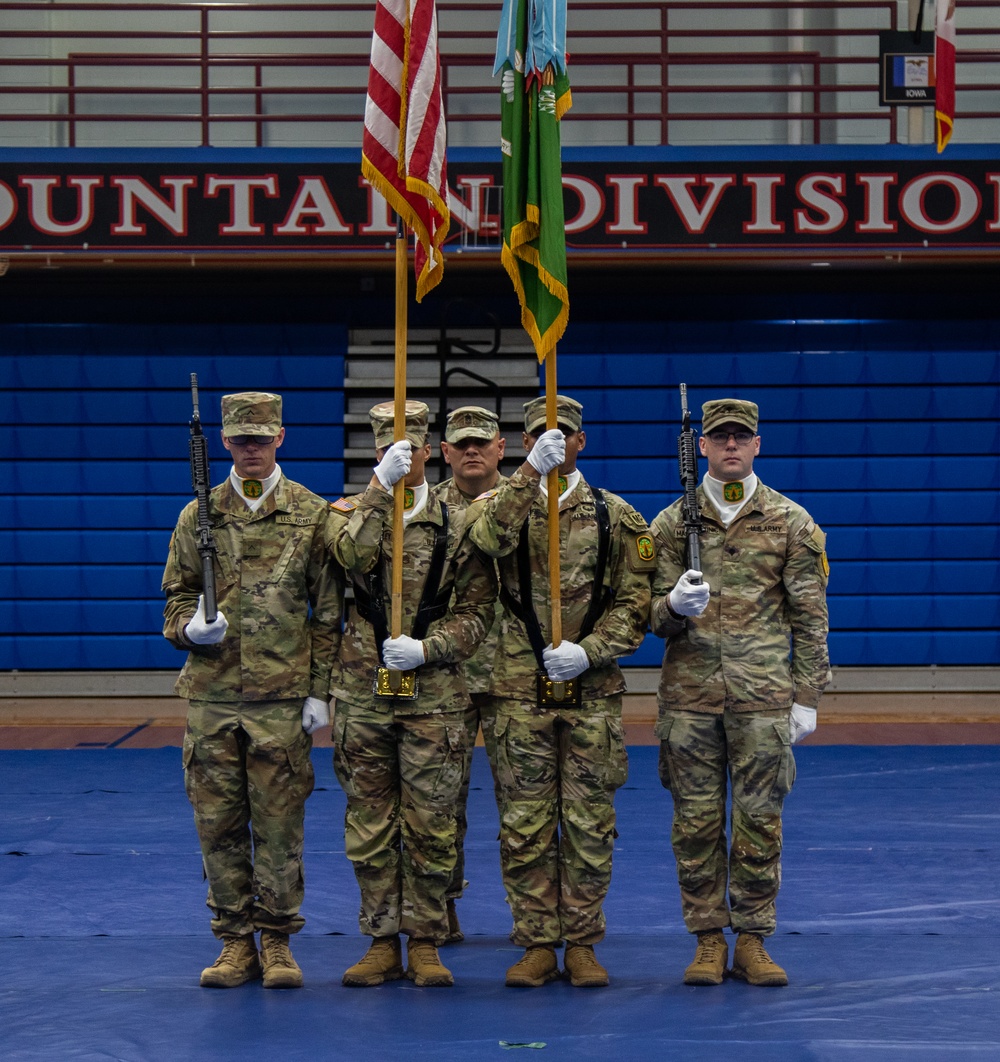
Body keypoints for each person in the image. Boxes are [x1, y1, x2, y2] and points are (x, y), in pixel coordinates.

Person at [468, 394, 655, 988]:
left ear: (581, 441)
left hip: (589, 692)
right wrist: (526, 478)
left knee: (588, 822)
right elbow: (488, 541)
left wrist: (590, 651)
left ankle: (581, 942)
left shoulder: (616, 516)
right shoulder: (499, 505)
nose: (554, 442)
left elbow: (636, 604)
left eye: (565, 434)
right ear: (525, 444)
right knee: (523, 823)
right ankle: (536, 943)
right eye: (539, 436)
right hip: (517, 690)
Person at [162, 391, 342, 990]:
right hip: (213, 697)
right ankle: (235, 942)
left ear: (281, 438)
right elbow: (175, 598)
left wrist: (321, 692)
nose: (251, 451)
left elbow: (327, 614)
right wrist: (188, 628)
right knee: (218, 825)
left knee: (280, 826)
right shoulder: (199, 515)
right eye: (240, 441)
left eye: (261, 439)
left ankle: (278, 942)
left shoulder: (311, 514)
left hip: (281, 700)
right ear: (224, 443)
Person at [648, 397, 830, 988]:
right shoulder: (673, 522)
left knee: (759, 822)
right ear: (701, 446)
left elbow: (810, 615)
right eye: (719, 436)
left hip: (762, 701)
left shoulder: (792, 521)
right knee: (695, 824)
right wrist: (674, 607)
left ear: (758, 445)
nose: (730, 445)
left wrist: (807, 696)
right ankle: (706, 940)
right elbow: (645, 614)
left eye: (740, 437)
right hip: (691, 701)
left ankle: (752, 938)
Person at [328, 399, 496, 988]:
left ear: (430, 450)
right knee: (370, 823)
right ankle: (380, 940)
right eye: (384, 450)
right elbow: (349, 557)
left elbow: (478, 613)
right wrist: (379, 488)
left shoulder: (461, 524)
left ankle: (425, 939)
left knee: (432, 822)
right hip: (361, 695)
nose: (400, 457)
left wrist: (431, 647)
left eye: (410, 449)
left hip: (436, 697)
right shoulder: (348, 512)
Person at [430, 405, 508, 945]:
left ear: (502, 448)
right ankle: (441, 906)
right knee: (438, 801)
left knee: (523, 802)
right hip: (443, 673)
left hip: (515, 673)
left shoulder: (529, 505)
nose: (472, 450)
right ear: (445, 452)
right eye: (462, 444)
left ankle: (533, 914)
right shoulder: (420, 508)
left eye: (483, 442)